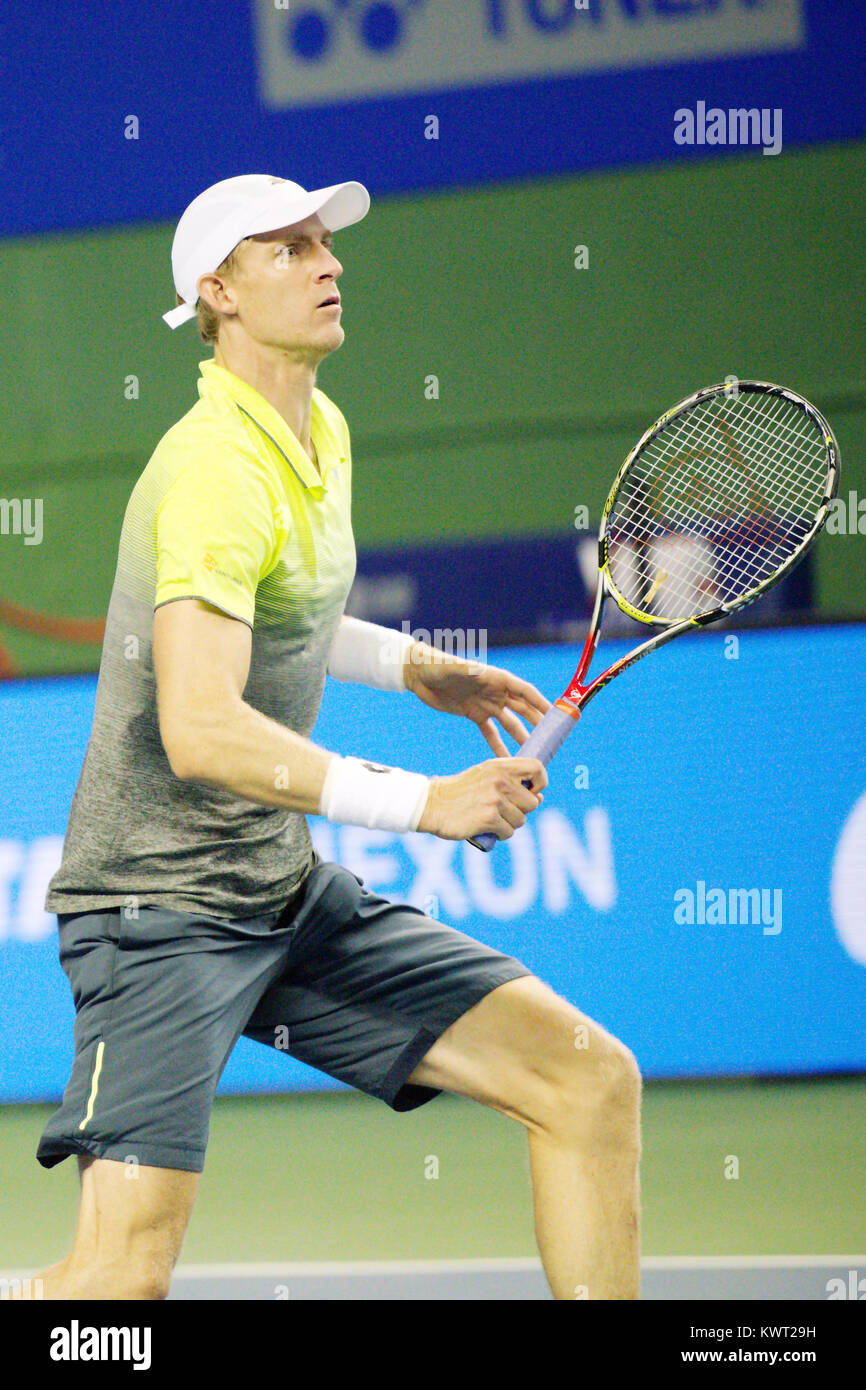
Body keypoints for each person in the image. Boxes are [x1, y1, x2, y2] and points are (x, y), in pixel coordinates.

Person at [27, 175, 641, 1301]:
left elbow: (276, 603)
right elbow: (201, 725)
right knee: (116, 1285)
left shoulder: (318, 428)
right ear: (215, 292)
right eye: (289, 248)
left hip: (277, 888)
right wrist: (426, 801)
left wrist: (411, 666)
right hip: (157, 911)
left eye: (325, 242)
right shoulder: (213, 467)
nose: (329, 262)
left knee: (585, 1080)